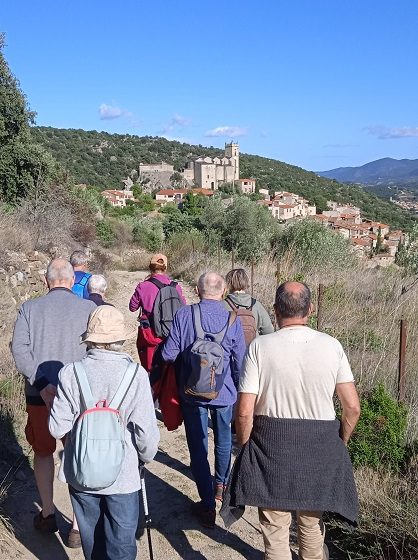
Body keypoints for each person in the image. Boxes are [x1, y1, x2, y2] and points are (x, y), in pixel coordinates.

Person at [221, 281, 361, 560]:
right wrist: (339, 442)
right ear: (310, 309)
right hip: (320, 445)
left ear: (275, 310)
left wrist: (249, 447)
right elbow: (353, 408)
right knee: (310, 525)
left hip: (270, 445)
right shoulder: (331, 346)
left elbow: (245, 411)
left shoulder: (260, 347)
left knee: (275, 529)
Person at [49, 305, 160, 560]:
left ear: (90, 339)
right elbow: (146, 434)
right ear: (120, 338)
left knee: (93, 545)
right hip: (123, 476)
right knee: (121, 546)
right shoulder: (136, 375)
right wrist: (144, 456)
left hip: (81, 472)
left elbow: (57, 427)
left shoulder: (70, 373)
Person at [11, 258, 96, 546]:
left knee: (44, 452)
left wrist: (43, 383)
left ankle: (47, 514)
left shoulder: (29, 308)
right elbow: (97, 352)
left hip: (38, 396)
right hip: (79, 398)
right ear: (72, 281)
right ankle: (75, 524)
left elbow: (19, 349)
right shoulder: (89, 309)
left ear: (47, 281)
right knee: (76, 454)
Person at [162, 272, 246, 528]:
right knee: (223, 442)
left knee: (198, 447)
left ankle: (207, 505)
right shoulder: (233, 318)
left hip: (192, 394)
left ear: (197, 291)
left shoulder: (184, 315)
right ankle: (221, 486)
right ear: (223, 292)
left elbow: (168, 354)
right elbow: (239, 362)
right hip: (225, 393)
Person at [129, 253, 186, 371]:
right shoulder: (176, 287)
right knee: (169, 370)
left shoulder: (143, 286)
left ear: (150, 267)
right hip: (172, 333)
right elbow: (183, 307)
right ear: (165, 268)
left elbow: (132, 307)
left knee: (150, 369)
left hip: (150, 333)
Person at [224, 268, 274, 343]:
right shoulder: (257, 305)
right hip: (252, 350)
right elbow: (269, 332)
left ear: (228, 283)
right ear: (246, 282)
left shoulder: (222, 305)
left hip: (230, 351)